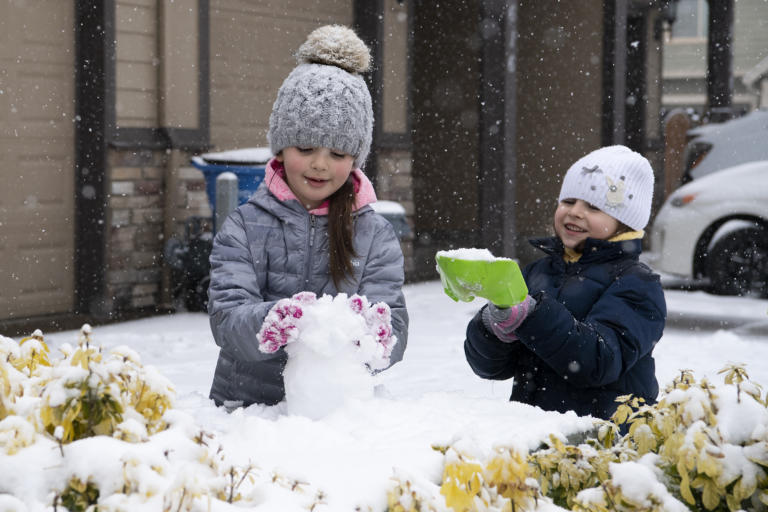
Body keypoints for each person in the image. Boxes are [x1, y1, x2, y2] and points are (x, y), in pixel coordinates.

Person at [207, 25, 408, 409]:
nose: (320, 164)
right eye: (305, 147)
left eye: (338, 153)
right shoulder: (245, 227)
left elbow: (393, 326)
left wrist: (374, 333)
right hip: (247, 413)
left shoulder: (374, 235)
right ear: (281, 148)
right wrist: (274, 320)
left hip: (335, 415)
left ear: (355, 158)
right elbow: (228, 319)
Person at [460, 145, 666, 420]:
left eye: (593, 207)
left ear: (625, 223)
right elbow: (491, 368)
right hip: (534, 433)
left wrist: (534, 317)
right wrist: (493, 328)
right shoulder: (535, 273)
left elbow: (598, 361)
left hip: (602, 439)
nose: (575, 212)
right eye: (568, 201)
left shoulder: (638, 285)